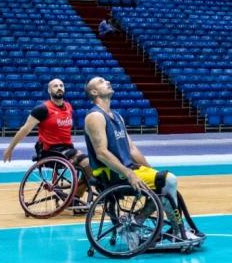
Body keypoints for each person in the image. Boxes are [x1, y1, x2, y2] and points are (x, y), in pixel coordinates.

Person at [83, 76, 202, 240]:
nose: (108, 82)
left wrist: (151, 171)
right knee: (169, 181)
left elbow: (131, 149)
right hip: (112, 174)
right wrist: (129, 174)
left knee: (164, 182)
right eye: (102, 82)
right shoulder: (95, 117)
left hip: (127, 170)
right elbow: (101, 153)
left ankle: (136, 221)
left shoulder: (117, 116)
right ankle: (176, 232)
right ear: (94, 92)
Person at [3, 78, 91, 204]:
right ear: (49, 90)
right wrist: (10, 148)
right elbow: (25, 129)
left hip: (68, 149)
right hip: (51, 151)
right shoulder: (42, 109)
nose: (59, 88)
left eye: (61, 85)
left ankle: (75, 197)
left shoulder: (69, 107)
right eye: (55, 86)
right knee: (87, 163)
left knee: (91, 166)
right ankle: (74, 198)